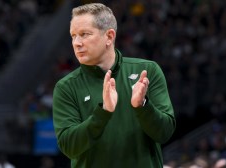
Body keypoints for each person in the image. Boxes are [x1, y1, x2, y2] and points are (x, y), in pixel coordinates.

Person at [52, 2, 176, 168]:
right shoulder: (66, 87)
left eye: (84, 34)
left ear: (109, 36)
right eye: (73, 36)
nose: (76, 43)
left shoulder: (147, 71)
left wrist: (143, 106)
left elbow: (165, 133)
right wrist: (103, 113)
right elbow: (69, 147)